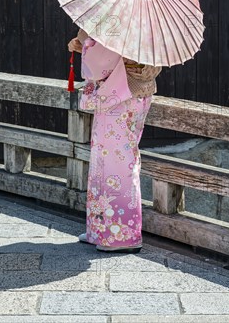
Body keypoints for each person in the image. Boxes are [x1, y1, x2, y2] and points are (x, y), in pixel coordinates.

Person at [68, 28, 162, 253]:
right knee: (105, 161)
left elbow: (101, 65)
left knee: (117, 165)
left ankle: (123, 236)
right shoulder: (146, 21)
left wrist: (83, 39)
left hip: (122, 97)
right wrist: (86, 45)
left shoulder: (122, 20)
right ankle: (100, 229)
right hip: (132, 95)